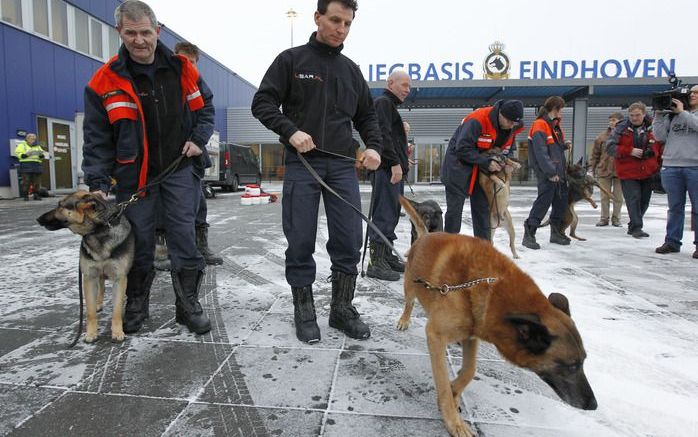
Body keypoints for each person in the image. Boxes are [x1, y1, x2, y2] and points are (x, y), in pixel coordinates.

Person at [251, 0, 382, 344]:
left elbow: (368, 116)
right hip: (302, 164)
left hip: (341, 165)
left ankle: (341, 309)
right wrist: (290, 130)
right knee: (300, 238)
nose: (341, 28)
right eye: (335, 20)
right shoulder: (291, 61)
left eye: (347, 23)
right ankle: (304, 310)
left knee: (349, 239)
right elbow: (262, 103)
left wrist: (374, 147)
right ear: (318, 18)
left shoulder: (351, 70)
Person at [82, 0, 215, 335]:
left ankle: (188, 305)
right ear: (119, 32)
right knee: (138, 243)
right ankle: (136, 303)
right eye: (131, 33)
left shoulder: (183, 70)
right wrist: (98, 180)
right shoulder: (104, 81)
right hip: (134, 177)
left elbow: (205, 109)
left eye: (145, 32)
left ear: (158, 31)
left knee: (184, 238)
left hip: (179, 170)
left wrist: (198, 138)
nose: (139, 40)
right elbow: (97, 137)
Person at [153, 41, 223, 271]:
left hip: (191, 157)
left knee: (198, 204)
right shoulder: (162, 82)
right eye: (184, 60)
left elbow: (207, 115)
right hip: (164, 159)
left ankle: (200, 246)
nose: (188, 65)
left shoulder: (199, 86)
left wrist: (197, 141)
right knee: (164, 206)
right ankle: (162, 249)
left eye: (192, 62)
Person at [441, 100, 524, 239]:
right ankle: (448, 247)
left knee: (483, 212)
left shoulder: (510, 129)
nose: (511, 125)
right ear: (500, 114)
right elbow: (462, 148)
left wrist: (508, 163)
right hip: (458, 169)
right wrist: (486, 162)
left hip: (482, 173)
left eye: (514, 123)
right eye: (509, 121)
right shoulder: (477, 120)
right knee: (454, 213)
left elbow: (508, 150)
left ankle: (483, 249)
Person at [366, 70, 411, 282]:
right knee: (384, 214)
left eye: (409, 87)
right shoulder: (383, 103)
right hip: (386, 170)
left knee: (392, 213)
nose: (407, 90)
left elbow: (392, 138)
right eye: (404, 85)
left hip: (393, 169)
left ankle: (385, 254)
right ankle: (376, 262)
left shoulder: (390, 106)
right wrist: (394, 163)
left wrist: (403, 159)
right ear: (390, 83)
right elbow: (382, 136)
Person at [652, 85, 698, 259]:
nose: (692, 95)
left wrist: (683, 113)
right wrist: (658, 115)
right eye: (691, 92)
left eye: (696, 93)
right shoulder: (673, 116)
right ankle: (672, 241)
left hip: (695, 166)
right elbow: (659, 137)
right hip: (672, 165)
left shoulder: (684, 114)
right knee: (674, 208)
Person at [606, 102, 661, 239]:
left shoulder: (654, 126)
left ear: (644, 114)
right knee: (633, 198)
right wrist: (629, 151)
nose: (634, 118)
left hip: (648, 171)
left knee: (644, 201)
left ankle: (634, 224)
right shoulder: (621, 128)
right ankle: (637, 227)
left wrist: (653, 154)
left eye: (637, 115)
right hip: (628, 171)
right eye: (632, 115)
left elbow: (661, 144)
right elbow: (610, 147)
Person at [522, 96, 570, 249]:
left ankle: (556, 233)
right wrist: (550, 172)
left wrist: (563, 146)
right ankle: (529, 233)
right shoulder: (540, 125)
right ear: (555, 109)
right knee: (543, 202)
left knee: (560, 203)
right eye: (561, 109)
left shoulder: (553, 125)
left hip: (559, 171)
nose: (561, 113)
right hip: (548, 172)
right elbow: (541, 152)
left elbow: (552, 148)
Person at [589, 112, 624, 227]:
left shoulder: (626, 135)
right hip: (604, 169)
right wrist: (591, 169)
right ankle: (604, 218)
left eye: (614, 120)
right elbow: (595, 154)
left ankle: (616, 218)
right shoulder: (602, 137)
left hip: (620, 171)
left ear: (620, 121)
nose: (611, 122)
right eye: (610, 120)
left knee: (618, 197)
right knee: (605, 196)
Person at [14, 133, 46, 201]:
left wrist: (42, 156)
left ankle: (36, 195)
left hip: (37, 166)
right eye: (31, 139)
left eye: (34, 139)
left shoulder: (37, 146)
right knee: (26, 181)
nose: (33, 140)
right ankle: (25, 196)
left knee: (37, 182)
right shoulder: (22, 145)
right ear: (27, 139)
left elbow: (42, 155)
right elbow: (17, 153)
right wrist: (23, 155)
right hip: (26, 165)